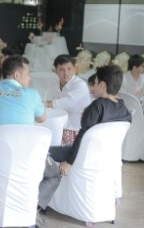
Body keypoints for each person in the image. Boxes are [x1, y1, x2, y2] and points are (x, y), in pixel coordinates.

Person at [39, 64, 131, 211]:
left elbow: (82, 137)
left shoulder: (96, 106)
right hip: (105, 156)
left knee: (43, 152)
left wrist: (69, 162)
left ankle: (40, 202)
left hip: (82, 155)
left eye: (96, 83)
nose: (93, 87)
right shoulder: (123, 108)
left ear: (102, 85)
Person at [0, 55, 47, 160]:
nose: (30, 78)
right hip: (25, 161)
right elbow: (42, 118)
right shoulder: (32, 94)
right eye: (28, 74)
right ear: (16, 75)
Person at [43, 54, 91, 146]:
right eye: (61, 69)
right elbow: (49, 108)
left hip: (76, 129)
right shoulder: (53, 85)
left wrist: (44, 104)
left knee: (52, 147)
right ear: (55, 71)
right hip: (59, 127)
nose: (66, 73)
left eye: (69, 69)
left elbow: (67, 103)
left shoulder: (80, 85)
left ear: (74, 69)